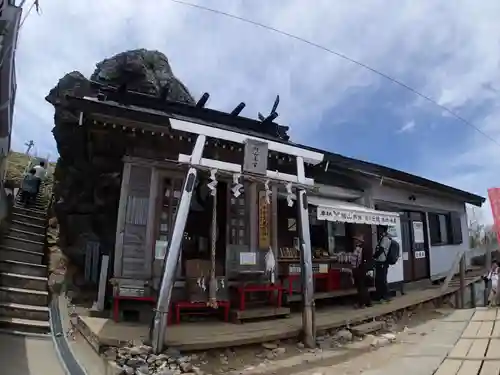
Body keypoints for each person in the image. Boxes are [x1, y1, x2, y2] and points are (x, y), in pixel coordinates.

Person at [351, 234, 372, 308]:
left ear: (359, 240)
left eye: (356, 239)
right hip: (364, 269)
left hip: (360, 269)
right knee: (364, 287)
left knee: (361, 287)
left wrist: (355, 269)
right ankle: (368, 302)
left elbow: (357, 260)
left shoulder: (359, 248)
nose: (354, 241)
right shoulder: (366, 246)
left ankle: (361, 303)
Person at [373, 225, 392, 303]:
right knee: (379, 279)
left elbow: (381, 249)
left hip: (382, 262)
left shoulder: (385, 238)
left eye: (380, 229)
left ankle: (385, 296)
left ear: (383, 229)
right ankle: (380, 295)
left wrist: (374, 256)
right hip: (381, 262)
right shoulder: (383, 237)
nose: (378, 230)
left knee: (381, 279)